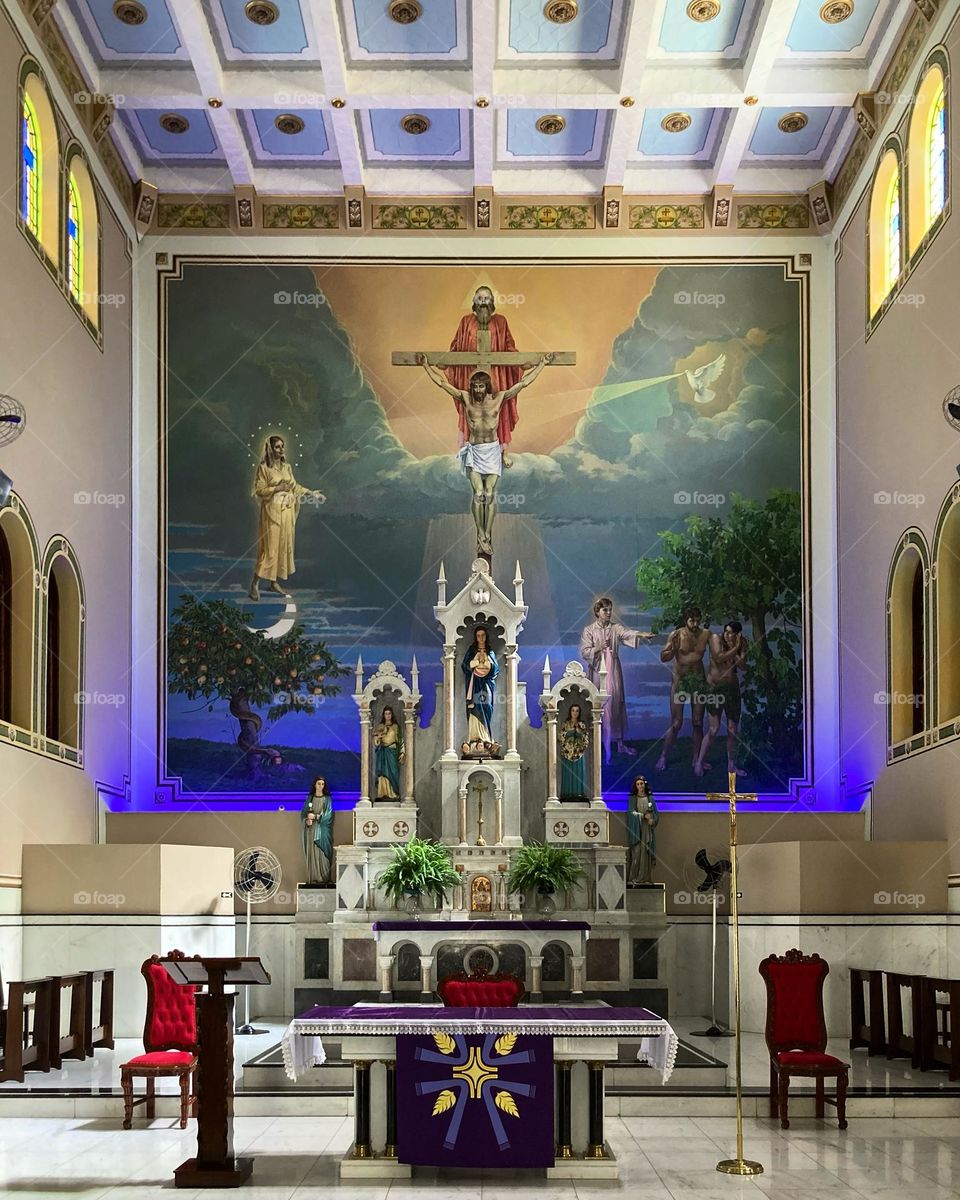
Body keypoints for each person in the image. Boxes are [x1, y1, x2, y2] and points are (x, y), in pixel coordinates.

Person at [418, 352, 552, 555]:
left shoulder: (498, 398)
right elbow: (442, 384)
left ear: (487, 386)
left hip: (491, 451)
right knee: (478, 493)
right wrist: (426, 366)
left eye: (481, 386)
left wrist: (542, 364)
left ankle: (487, 534)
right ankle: (480, 534)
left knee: (489, 495)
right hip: (474, 451)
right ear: (471, 386)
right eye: (475, 386)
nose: (478, 390)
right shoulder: (465, 398)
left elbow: (524, 383)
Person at [445, 286, 524, 459]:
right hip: (471, 374)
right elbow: (456, 346)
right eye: (479, 298)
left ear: (492, 302)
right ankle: (472, 451)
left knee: (497, 409)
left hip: (497, 375)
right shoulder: (465, 321)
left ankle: (502, 452)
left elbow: (509, 346)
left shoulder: (501, 321)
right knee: (473, 410)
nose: (483, 302)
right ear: (473, 302)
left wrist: (522, 361)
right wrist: (443, 362)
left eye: (486, 298)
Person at [249, 435, 324, 601]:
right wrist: (277, 488)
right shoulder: (264, 468)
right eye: (277, 446)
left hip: (287, 512)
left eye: (282, 446)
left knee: (282, 547)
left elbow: (294, 486)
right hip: (272, 513)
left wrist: (311, 493)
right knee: (270, 549)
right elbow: (259, 490)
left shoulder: (287, 467)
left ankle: (273, 582)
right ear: (270, 449)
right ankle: (254, 584)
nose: (281, 449)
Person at [579, 597, 655, 762]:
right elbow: (585, 652)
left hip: (613, 669)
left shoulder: (615, 628)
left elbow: (628, 633)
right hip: (598, 670)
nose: (608, 613)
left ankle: (619, 742)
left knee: (617, 702)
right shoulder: (589, 630)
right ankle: (595, 743)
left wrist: (642, 634)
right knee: (598, 705)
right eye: (605, 610)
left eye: (610, 609)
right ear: (597, 612)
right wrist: (598, 648)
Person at [655, 605, 711, 773]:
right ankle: (663, 756)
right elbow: (663, 657)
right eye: (691, 620)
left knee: (697, 722)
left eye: (697, 620)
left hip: (698, 681)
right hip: (680, 682)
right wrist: (672, 648)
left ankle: (696, 759)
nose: (694, 624)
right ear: (685, 620)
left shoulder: (705, 634)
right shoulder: (677, 634)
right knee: (677, 722)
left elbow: (716, 651)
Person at [695, 620, 749, 778]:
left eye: (731, 632)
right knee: (714, 728)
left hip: (732, 689)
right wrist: (736, 646)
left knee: (733, 730)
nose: (727, 634)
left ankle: (731, 765)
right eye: (726, 630)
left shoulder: (741, 643)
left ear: (737, 634)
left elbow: (743, 666)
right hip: (715, 689)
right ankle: (699, 762)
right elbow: (718, 658)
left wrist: (739, 647)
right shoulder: (716, 639)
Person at [461, 625, 499, 755]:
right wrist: (476, 663)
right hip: (474, 684)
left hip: (487, 685)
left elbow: (495, 669)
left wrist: (487, 665)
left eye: (483, 635)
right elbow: (465, 666)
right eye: (478, 635)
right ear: (475, 637)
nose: (481, 638)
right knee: (474, 707)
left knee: (487, 706)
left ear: (486, 636)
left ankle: (487, 738)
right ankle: (475, 739)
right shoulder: (472, 651)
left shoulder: (490, 652)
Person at [301, 776, 334, 885]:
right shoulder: (310, 799)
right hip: (312, 830)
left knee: (323, 854)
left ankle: (324, 878)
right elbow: (303, 814)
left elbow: (328, 816)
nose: (320, 786)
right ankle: (314, 878)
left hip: (323, 831)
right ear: (315, 785)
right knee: (313, 852)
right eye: (319, 783)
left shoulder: (327, 799)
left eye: (322, 784)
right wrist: (307, 821)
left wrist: (315, 817)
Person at [626, 776, 659, 886]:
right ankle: (634, 877)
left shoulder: (650, 798)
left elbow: (656, 814)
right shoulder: (633, 798)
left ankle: (645, 878)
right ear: (635, 786)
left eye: (641, 783)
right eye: (638, 784)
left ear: (645, 784)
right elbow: (630, 813)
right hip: (637, 829)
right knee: (637, 853)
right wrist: (642, 816)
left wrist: (651, 819)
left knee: (646, 853)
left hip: (647, 830)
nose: (640, 786)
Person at [559, 702, 589, 799]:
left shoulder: (582, 725)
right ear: (570, 712)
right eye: (573, 710)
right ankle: (567, 794)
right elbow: (561, 737)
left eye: (577, 711)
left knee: (578, 774)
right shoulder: (565, 724)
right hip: (567, 753)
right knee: (568, 774)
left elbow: (586, 740)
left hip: (578, 754)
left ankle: (578, 794)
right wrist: (571, 733)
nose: (575, 713)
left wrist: (579, 735)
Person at [373, 704, 404, 799]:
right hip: (382, 752)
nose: (388, 715)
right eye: (386, 713)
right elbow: (376, 742)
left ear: (392, 715)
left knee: (393, 772)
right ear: (383, 715)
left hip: (392, 752)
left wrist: (402, 752)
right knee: (382, 772)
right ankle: (382, 794)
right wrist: (378, 737)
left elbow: (400, 740)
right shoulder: (380, 726)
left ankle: (393, 793)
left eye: (389, 713)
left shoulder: (396, 727)